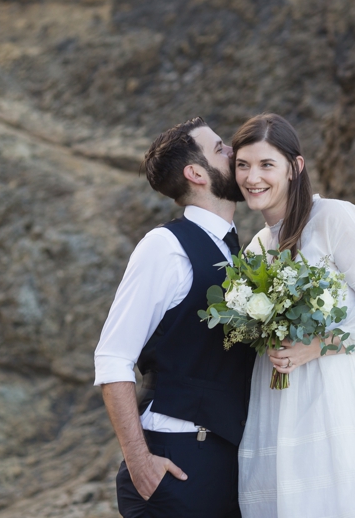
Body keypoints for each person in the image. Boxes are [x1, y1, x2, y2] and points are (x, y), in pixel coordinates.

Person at [231, 113, 355, 518]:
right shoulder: (257, 247)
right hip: (276, 404)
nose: (251, 177)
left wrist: (316, 345)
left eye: (266, 164)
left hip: (334, 397)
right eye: (242, 165)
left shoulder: (333, 218)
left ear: (295, 168)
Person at [93, 117, 251, 517]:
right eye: (220, 149)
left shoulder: (238, 252)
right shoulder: (164, 247)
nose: (233, 152)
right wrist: (140, 463)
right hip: (176, 462)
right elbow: (112, 359)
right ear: (196, 173)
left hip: (225, 462)